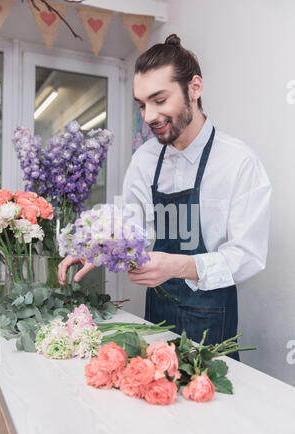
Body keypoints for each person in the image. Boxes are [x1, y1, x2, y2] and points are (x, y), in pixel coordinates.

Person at [58, 34, 272, 360]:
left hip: (212, 326)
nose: (148, 116)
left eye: (159, 100)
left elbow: (248, 254)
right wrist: (98, 248)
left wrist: (178, 265)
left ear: (195, 88)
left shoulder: (238, 162)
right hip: (155, 319)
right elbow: (131, 224)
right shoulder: (145, 158)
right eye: (142, 104)